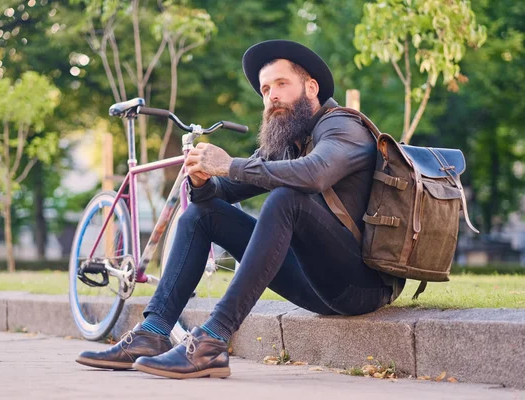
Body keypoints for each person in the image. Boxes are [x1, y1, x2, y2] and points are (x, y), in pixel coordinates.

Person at [76, 39, 404, 379]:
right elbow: (218, 194)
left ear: (311, 87)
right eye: (265, 89)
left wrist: (229, 164)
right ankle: (152, 333)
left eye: (281, 84)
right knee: (202, 216)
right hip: (316, 285)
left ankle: (212, 341)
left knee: (285, 198)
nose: (271, 95)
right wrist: (203, 180)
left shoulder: (342, 127)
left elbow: (313, 175)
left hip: (361, 287)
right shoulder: (287, 141)